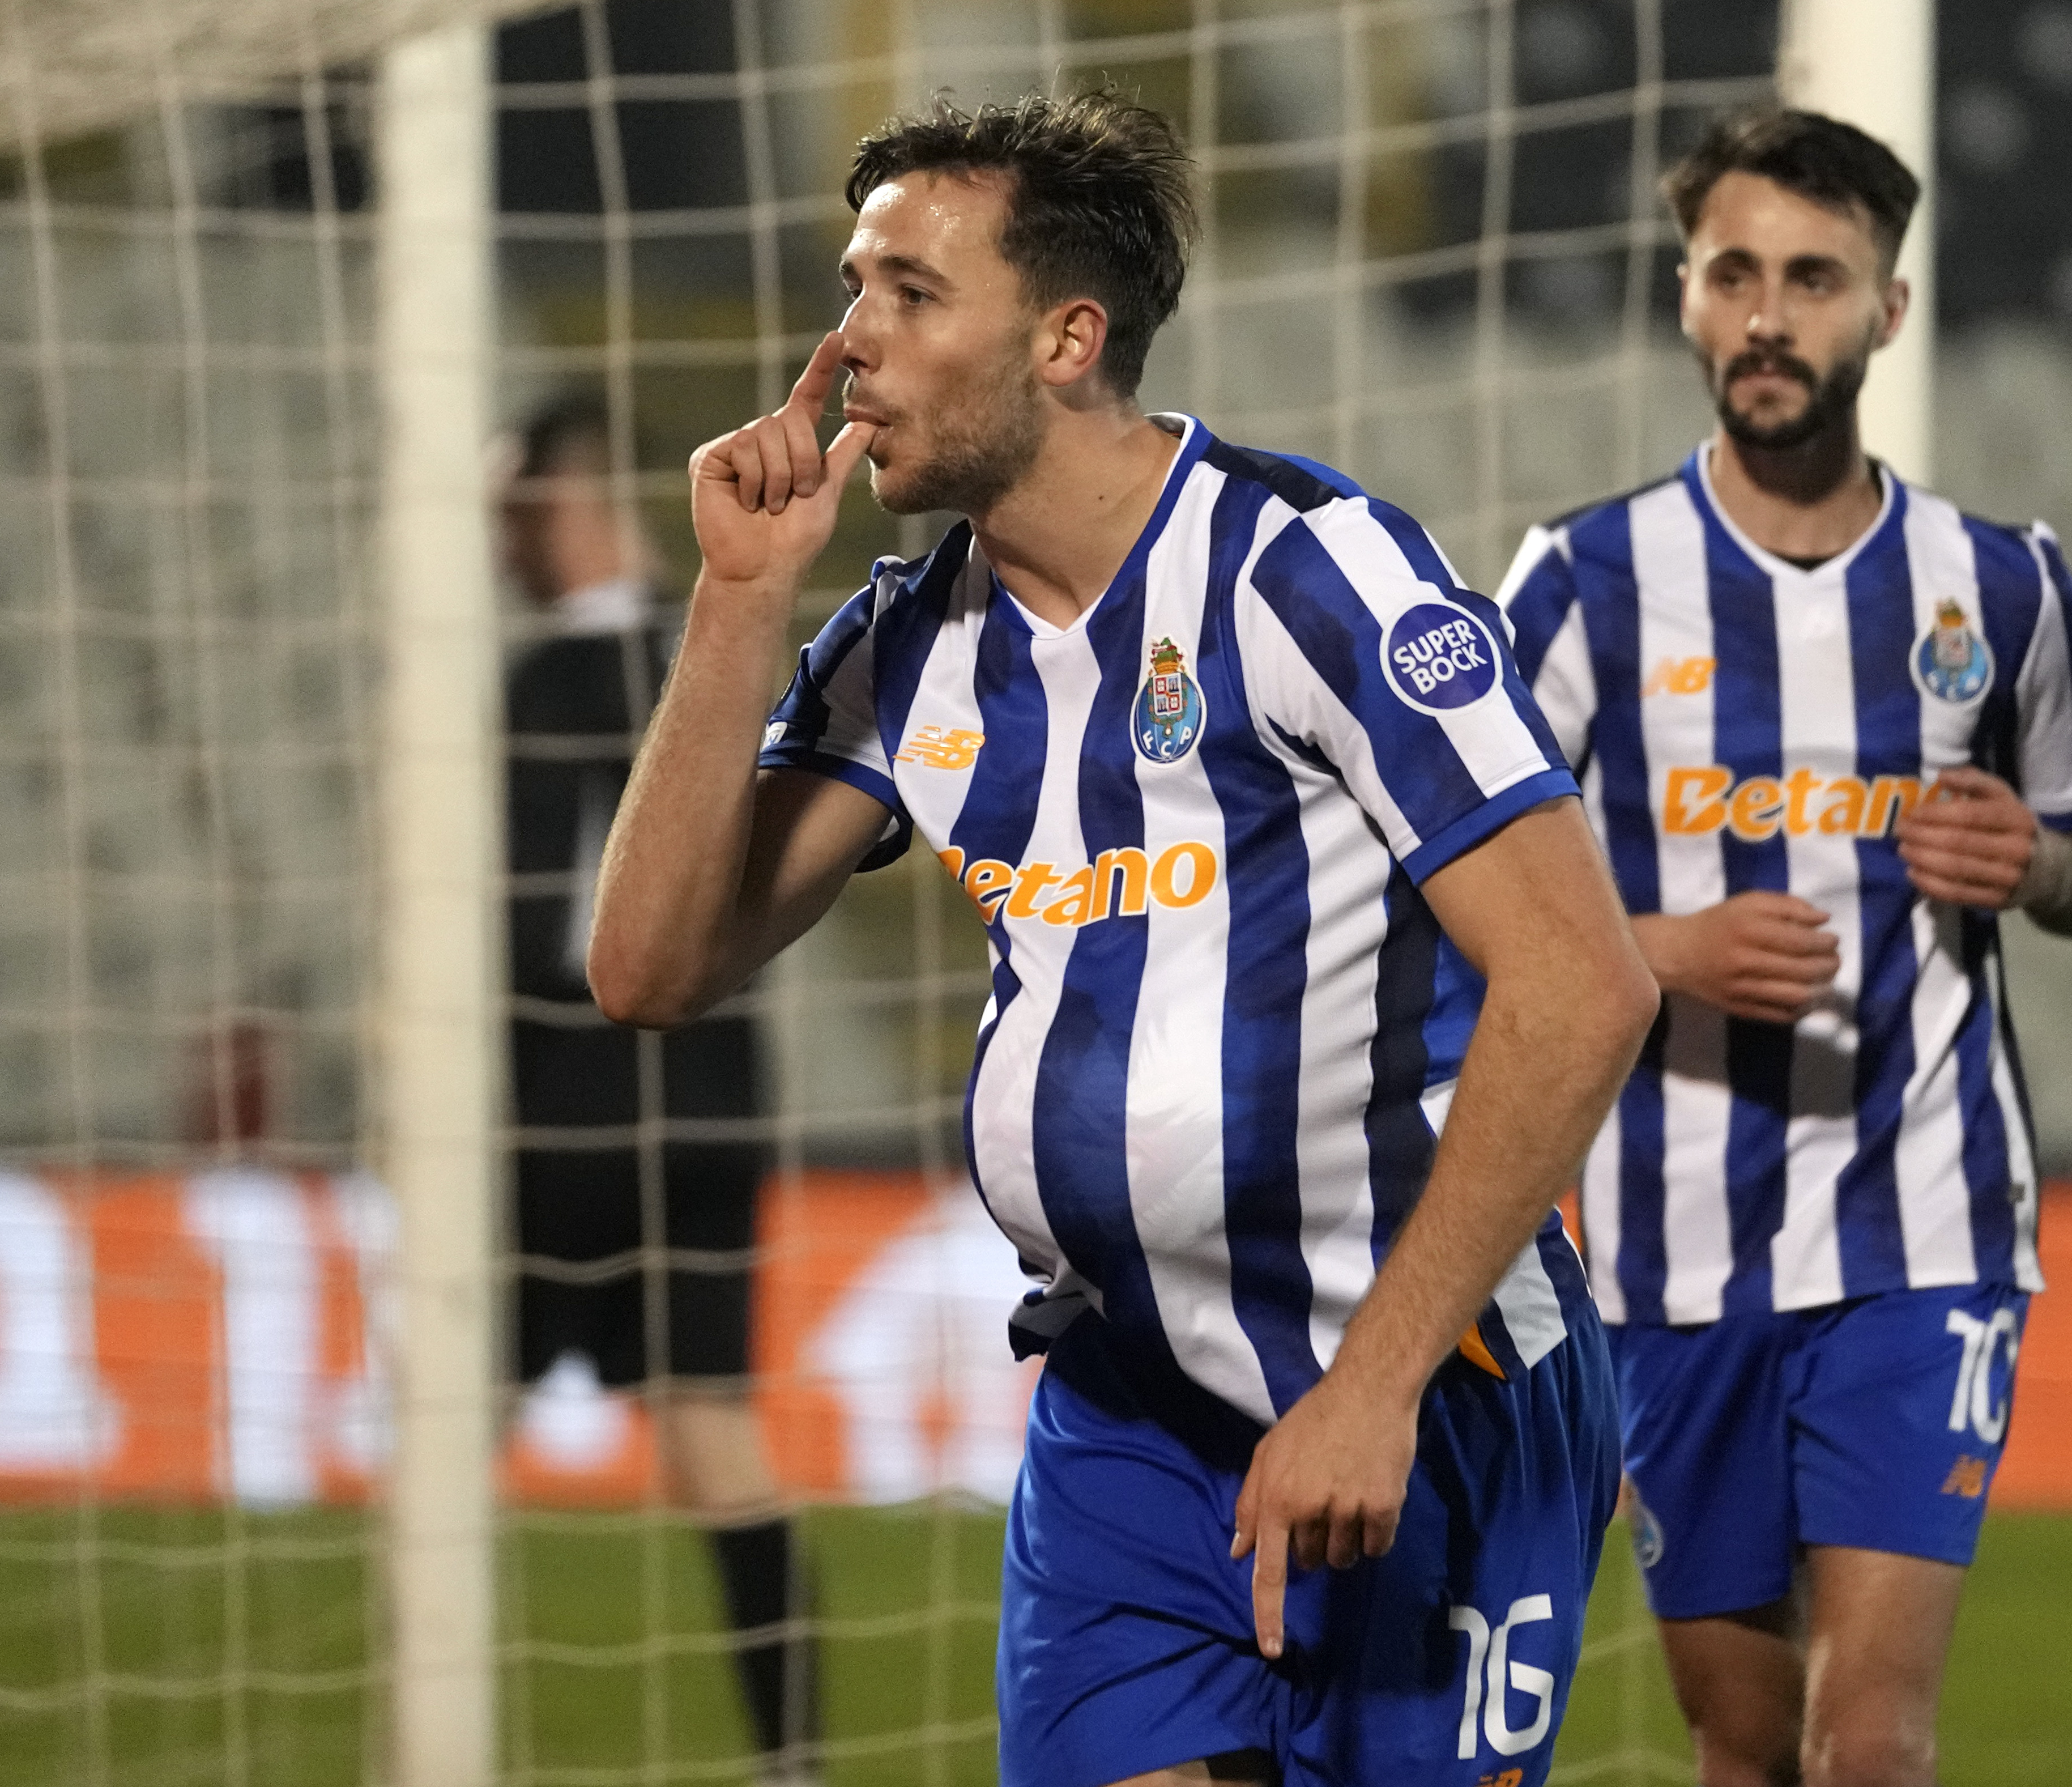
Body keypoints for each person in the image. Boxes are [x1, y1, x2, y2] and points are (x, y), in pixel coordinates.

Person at [587, 92, 1660, 1787]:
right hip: (1127, 1412)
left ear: (1067, 338)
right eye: (851, 284)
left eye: (908, 295)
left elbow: (1583, 984)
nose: (846, 342)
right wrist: (736, 598)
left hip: (1426, 1389)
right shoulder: (909, 645)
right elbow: (646, 969)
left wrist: (1370, 1387)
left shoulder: (1310, 576)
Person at [1491, 110, 2072, 1787]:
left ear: (1885, 313)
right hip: (1664, 1254)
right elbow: (1446, 898)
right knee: (1744, 1734)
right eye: (1732, 274)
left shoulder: (1998, 587)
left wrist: (2038, 863)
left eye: (1810, 277)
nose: (1767, 314)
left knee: (1869, 1738)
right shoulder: (1578, 584)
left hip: (1922, 1228)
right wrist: (1656, 949)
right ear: (1688, 299)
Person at [497, 397, 815, 1780]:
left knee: (457, 1412)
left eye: (509, 516)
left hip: (563, 1105)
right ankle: (791, 1759)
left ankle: (427, 1722)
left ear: (561, 509)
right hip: (709, 1099)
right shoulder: (721, 658)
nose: (499, 546)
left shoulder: (543, 684)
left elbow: (538, 927)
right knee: (713, 1428)